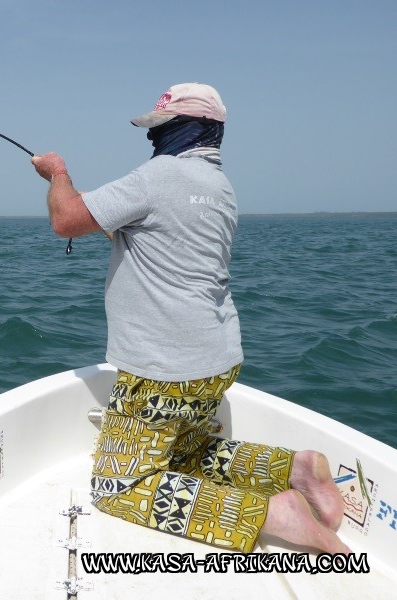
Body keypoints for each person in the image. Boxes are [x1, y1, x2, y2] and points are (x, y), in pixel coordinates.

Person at [31, 83, 347, 554]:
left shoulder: (157, 177)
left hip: (162, 369)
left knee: (119, 490)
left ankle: (272, 514)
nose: (151, 139)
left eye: (161, 127)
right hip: (215, 358)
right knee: (186, 455)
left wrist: (58, 173)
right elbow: (155, 243)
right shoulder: (220, 189)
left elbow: (66, 220)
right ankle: (294, 469)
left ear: (189, 128)